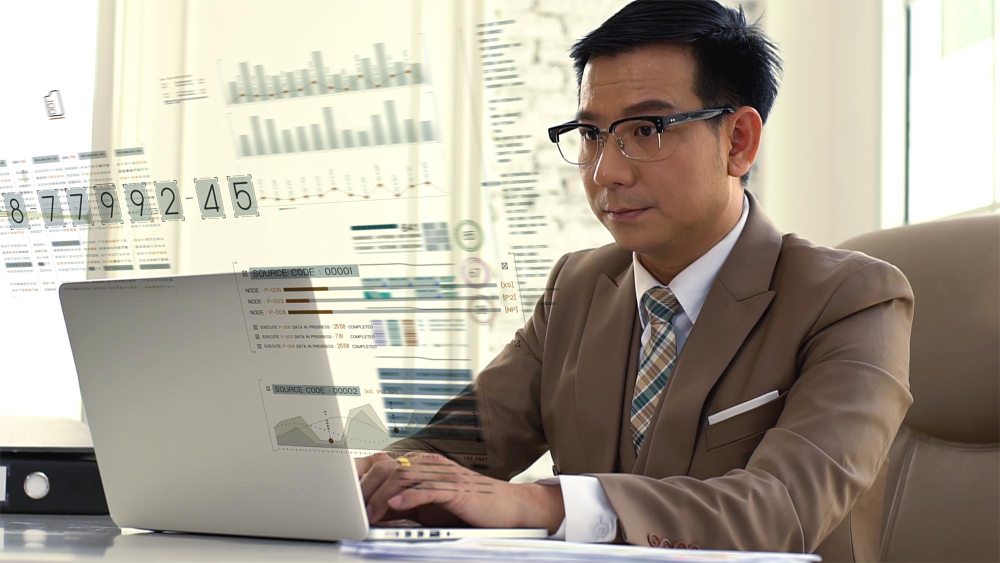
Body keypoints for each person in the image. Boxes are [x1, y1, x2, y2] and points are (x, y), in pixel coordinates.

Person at [356, 1, 913, 560]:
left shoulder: (854, 299)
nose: (607, 172)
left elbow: (778, 511)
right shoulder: (578, 284)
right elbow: (456, 449)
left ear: (739, 141)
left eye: (647, 130)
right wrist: (378, 478)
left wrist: (542, 505)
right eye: (591, 134)